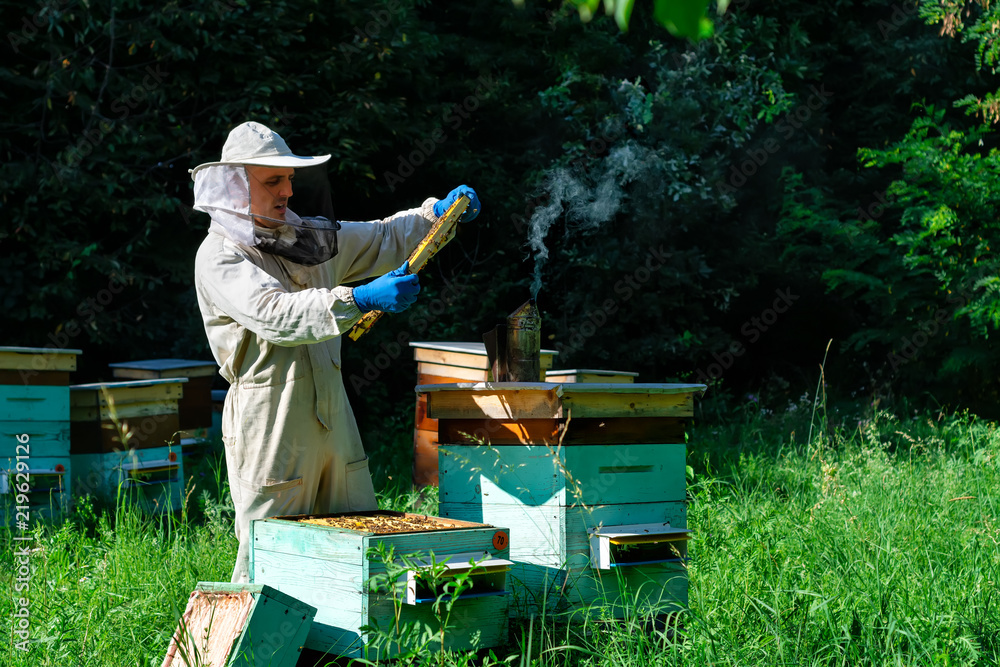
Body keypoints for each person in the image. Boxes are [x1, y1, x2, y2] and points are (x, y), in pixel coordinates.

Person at [190, 121, 480, 582]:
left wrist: (434, 216)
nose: (287, 190)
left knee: (356, 548)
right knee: (271, 554)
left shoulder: (304, 238)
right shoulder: (221, 256)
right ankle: (253, 650)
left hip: (333, 414)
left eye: (288, 178)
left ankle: (344, 651)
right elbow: (276, 314)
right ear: (236, 186)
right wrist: (358, 299)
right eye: (273, 181)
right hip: (271, 419)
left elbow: (382, 237)